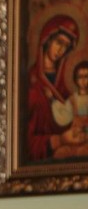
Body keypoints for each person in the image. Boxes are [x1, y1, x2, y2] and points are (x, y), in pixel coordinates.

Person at [26, 14, 84, 161]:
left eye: (66, 46)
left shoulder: (66, 83)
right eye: (59, 42)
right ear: (47, 39)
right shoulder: (31, 83)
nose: (61, 50)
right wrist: (60, 140)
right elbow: (25, 143)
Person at [52, 59, 88, 158]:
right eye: (80, 77)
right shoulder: (72, 100)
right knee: (60, 153)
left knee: (82, 152)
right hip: (75, 138)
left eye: (86, 76)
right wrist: (52, 100)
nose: (83, 80)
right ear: (75, 79)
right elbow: (64, 118)